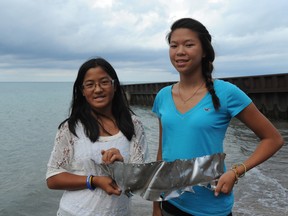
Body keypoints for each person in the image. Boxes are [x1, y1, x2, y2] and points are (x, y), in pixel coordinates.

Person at [152, 18, 284, 216]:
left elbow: (273, 139)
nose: (180, 51)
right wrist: (156, 204)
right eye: (174, 45)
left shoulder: (227, 93)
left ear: (204, 50)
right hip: (170, 204)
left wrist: (236, 171)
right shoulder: (163, 96)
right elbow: (162, 154)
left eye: (189, 44)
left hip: (210, 207)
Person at [46, 57, 148, 216]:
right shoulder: (71, 128)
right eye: (90, 84)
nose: (98, 89)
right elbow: (53, 179)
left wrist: (120, 166)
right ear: (82, 91)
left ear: (114, 86)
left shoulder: (133, 125)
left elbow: (140, 181)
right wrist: (94, 180)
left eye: (104, 82)